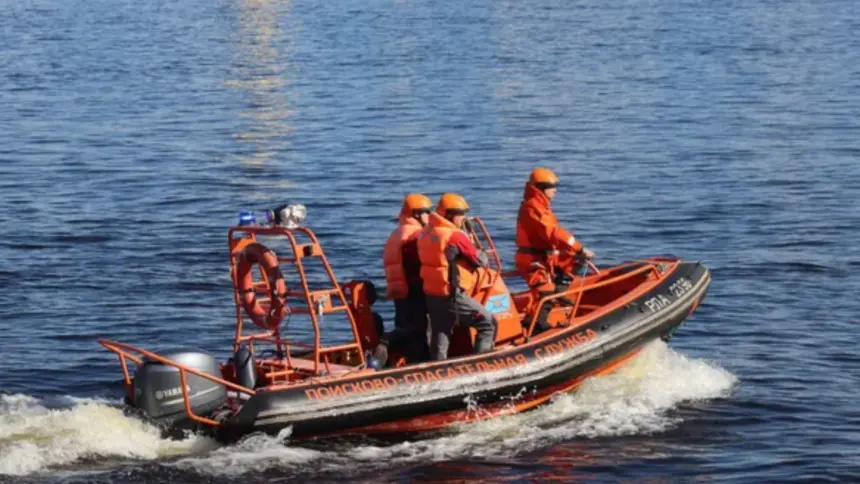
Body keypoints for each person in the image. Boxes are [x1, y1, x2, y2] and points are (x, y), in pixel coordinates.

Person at [418, 193, 497, 360]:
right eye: (461, 214)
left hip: (432, 295)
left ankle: (437, 369)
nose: (463, 218)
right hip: (453, 295)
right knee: (488, 323)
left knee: (441, 332)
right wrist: (478, 249)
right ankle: (482, 365)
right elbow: (478, 260)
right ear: (449, 215)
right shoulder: (455, 235)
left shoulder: (426, 232)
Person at [515, 168, 595, 333]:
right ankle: (537, 326)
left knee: (573, 259)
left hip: (542, 255)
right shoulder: (533, 208)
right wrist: (578, 246)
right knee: (545, 292)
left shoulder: (540, 206)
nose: (555, 190)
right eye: (552, 187)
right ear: (541, 188)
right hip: (532, 259)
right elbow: (552, 232)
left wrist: (574, 250)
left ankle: (559, 292)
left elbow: (554, 233)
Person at [375, 194, 433, 365]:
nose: (430, 216)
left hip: (399, 291)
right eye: (427, 212)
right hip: (414, 291)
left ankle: (386, 356)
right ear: (417, 214)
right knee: (417, 333)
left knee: (406, 328)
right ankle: (416, 365)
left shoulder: (398, 232)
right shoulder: (416, 236)